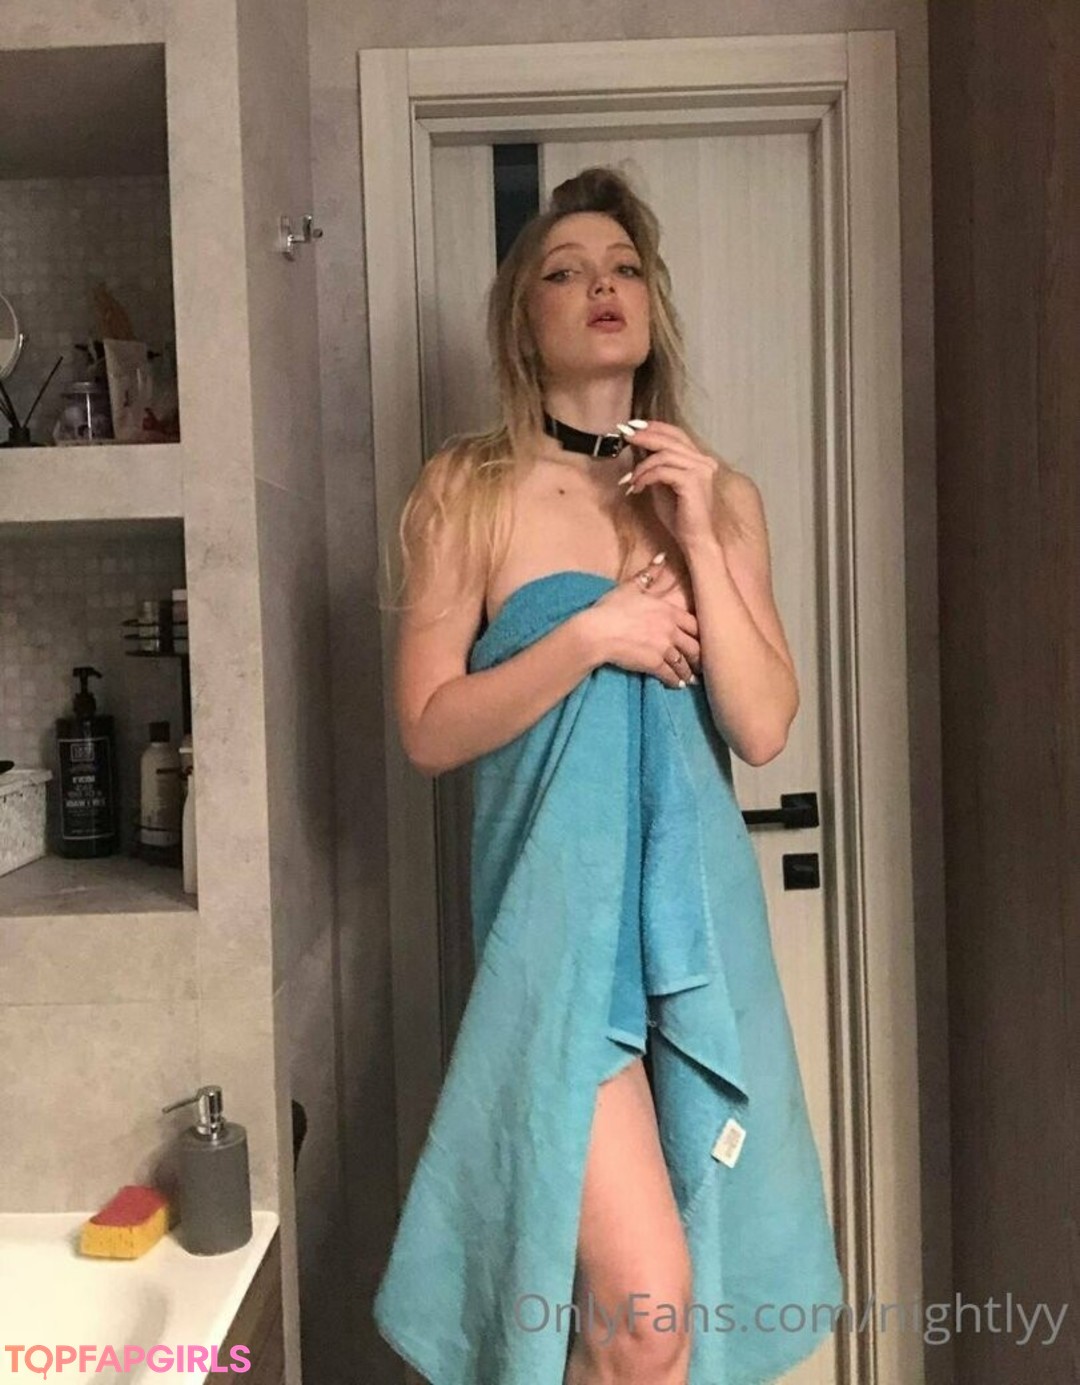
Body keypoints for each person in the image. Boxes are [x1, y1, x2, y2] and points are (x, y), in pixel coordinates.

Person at [375, 165, 843, 1385]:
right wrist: (593, 634)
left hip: (693, 931)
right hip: (555, 935)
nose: (602, 285)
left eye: (625, 267)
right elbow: (427, 729)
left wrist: (697, 534)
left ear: (653, 305)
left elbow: (763, 723)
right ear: (522, 319)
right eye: (566, 270)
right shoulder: (468, 489)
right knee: (646, 1316)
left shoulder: (720, 494)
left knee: (635, 1323)